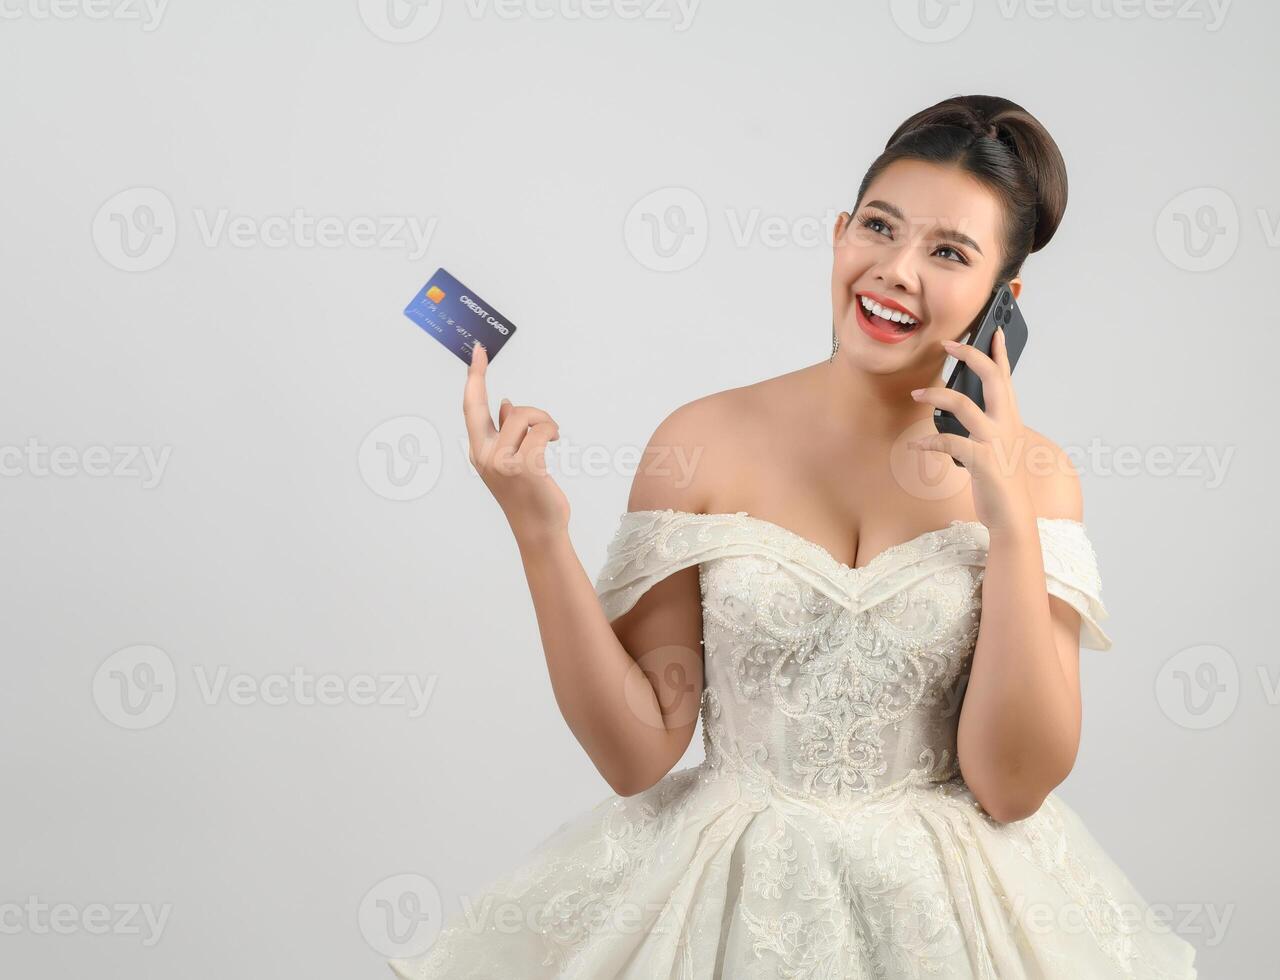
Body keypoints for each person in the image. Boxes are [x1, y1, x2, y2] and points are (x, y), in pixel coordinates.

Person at [388, 94, 1200, 979]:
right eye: (879, 228)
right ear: (839, 230)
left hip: (948, 927)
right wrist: (537, 530)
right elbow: (636, 753)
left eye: (948, 253)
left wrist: (1006, 516)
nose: (894, 271)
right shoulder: (702, 440)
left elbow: (1012, 785)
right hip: (727, 909)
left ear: (1003, 301)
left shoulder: (1036, 477)